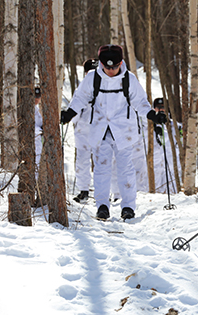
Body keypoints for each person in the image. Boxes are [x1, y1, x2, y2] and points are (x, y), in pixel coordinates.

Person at [61, 44, 156, 220]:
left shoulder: (129, 79)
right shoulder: (92, 78)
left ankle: (128, 206)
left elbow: (140, 102)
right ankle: (102, 205)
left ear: (121, 63)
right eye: (107, 67)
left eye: (115, 66)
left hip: (123, 130)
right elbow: (80, 98)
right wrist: (70, 113)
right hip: (100, 129)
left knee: (125, 169)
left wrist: (152, 115)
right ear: (101, 64)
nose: (111, 70)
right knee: (101, 169)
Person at [71, 58, 98, 203]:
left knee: (104, 161)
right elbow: (74, 109)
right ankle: (83, 190)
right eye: (89, 72)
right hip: (83, 131)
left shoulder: (105, 89)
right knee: (82, 161)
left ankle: (107, 192)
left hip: (100, 130)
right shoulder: (80, 89)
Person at [152, 97, 181, 193]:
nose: (161, 109)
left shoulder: (176, 126)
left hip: (171, 165)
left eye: (163, 107)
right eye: (158, 107)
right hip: (155, 165)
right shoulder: (148, 126)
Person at [34, 87, 43, 179]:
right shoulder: (30, 109)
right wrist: (40, 130)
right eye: (35, 96)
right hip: (34, 139)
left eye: (38, 96)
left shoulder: (37, 109)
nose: (37, 99)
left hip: (39, 141)